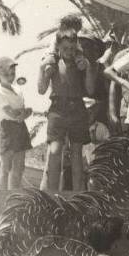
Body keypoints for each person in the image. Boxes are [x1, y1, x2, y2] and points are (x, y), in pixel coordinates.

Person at [38, 15, 90, 191]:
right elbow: (41, 88)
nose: (70, 49)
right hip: (58, 108)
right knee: (54, 153)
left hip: (76, 108)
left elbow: (89, 87)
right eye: (65, 47)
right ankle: (50, 195)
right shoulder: (53, 49)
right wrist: (45, 69)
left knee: (76, 155)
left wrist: (86, 66)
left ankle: (78, 195)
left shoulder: (78, 53)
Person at [0, 56, 32, 190]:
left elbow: (27, 110)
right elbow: (10, 112)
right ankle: (2, 196)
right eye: (6, 74)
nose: (10, 77)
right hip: (7, 129)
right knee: (6, 165)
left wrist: (24, 112)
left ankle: (13, 194)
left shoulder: (18, 91)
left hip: (20, 128)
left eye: (12, 74)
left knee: (19, 166)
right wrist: (22, 113)